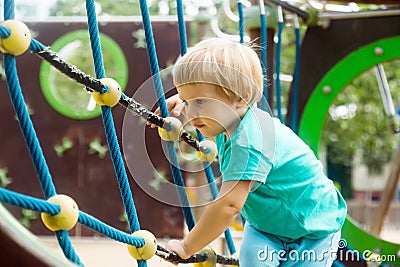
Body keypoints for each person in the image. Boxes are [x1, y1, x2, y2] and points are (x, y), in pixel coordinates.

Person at [152, 38, 347, 266]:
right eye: (187, 101)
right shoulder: (229, 119)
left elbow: (229, 206)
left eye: (200, 101)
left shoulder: (250, 141)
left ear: (240, 96)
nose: (191, 113)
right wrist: (183, 101)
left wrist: (187, 246)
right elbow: (211, 102)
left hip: (313, 229)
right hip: (266, 228)